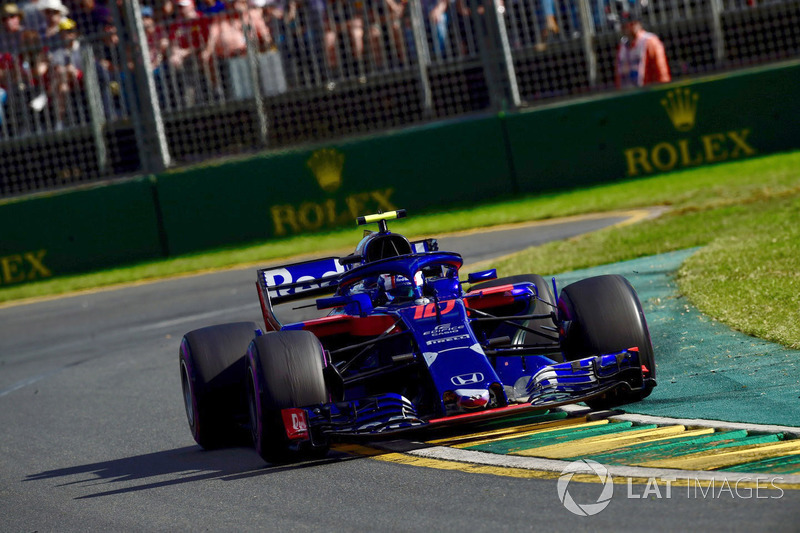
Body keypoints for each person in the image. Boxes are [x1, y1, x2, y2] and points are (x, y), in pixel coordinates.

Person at [614, 11, 670, 88]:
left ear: (637, 24)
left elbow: (661, 71)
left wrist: (663, 89)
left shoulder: (649, 41)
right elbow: (618, 74)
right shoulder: (622, 46)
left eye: (628, 24)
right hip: (628, 94)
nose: (624, 27)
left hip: (648, 92)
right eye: (622, 24)